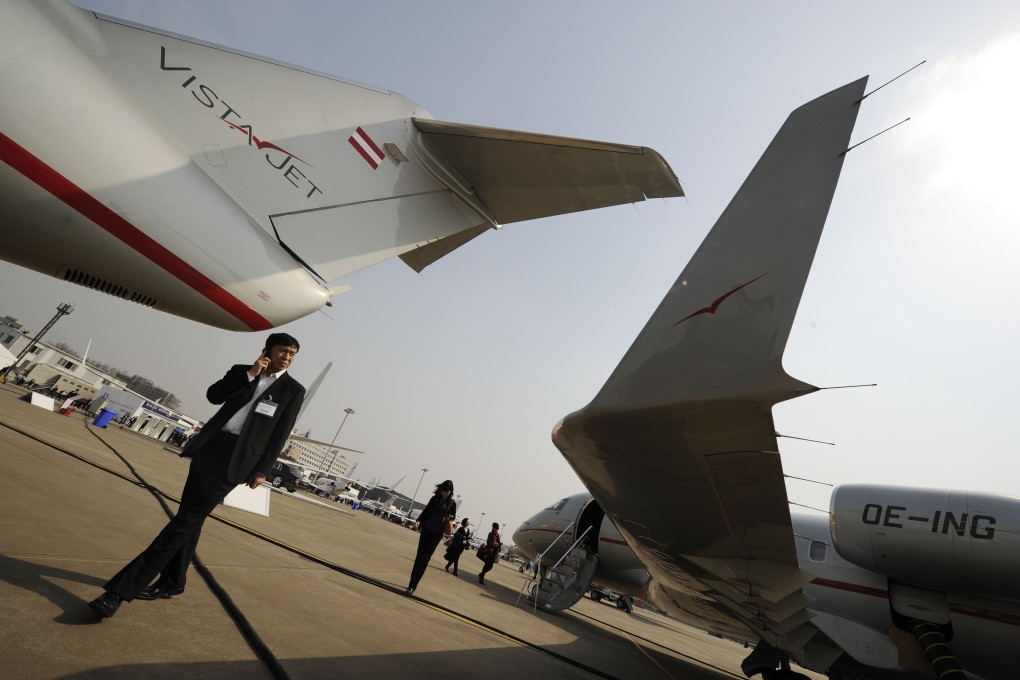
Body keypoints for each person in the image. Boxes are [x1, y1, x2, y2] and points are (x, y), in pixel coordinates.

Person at [87, 333, 306, 619]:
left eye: (292, 354)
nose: (286, 357)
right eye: (282, 351)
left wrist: (262, 470)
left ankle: (118, 592)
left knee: (184, 523)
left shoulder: (293, 390)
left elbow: (280, 434)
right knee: (190, 518)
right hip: (210, 449)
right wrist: (251, 375)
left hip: (236, 463)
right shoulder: (242, 372)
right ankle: (173, 581)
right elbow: (214, 396)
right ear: (267, 350)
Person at [406, 480, 456, 595]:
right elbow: (426, 511)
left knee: (425, 558)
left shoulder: (452, 503)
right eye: (443, 491)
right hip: (427, 530)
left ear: (450, 492)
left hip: (437, 534)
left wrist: (451, 519)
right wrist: (418, 521)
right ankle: (411, 583)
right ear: (440, 490)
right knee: (419, 556)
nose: (445, 493)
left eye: (447, 491)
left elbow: (453, 517)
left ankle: (414, 585)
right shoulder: (434, 499)